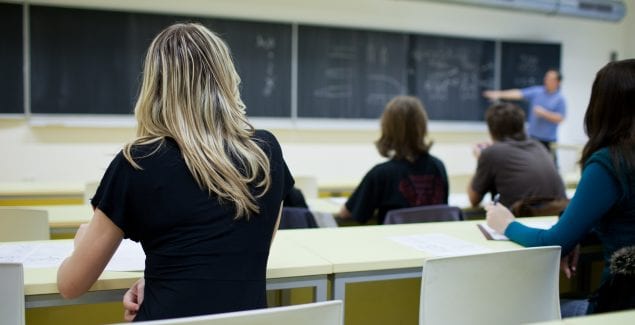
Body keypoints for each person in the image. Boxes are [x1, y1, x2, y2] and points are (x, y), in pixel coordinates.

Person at [56, 23, 294, 321]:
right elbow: (239, 255)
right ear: (226, 77)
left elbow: (70, 285)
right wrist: (160, 281)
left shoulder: (138, 162)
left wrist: (81, 243)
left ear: (155, 88)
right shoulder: (265, 152)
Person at [486, 59, 635, 314]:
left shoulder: (610, 163)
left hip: (619, 308)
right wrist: (576, 231)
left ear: (603, 106)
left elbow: (554, 242)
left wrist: (506, 224)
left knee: (525, 310)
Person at [336, 95, 449, 224]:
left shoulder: (381, 174)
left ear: (387, 128)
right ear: (422, 126)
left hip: (392, 241)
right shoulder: (438, 167)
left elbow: (346, 213)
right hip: (433, 239)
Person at [468, 102, 567, 209]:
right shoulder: (538, 146)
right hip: (556, 217)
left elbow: (473, 200)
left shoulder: (491, 153)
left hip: (522, 219)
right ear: (522, 126)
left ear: (491, 130)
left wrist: (480, 158)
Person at [483, 69, 566, 158]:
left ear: (558, 82)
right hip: (532, 137)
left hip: (548, 141)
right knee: (530, 162)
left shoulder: (560, 99)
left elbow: (560, 119)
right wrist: (499, 94)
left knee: (549, 165)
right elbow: (518, 93)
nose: (546, 80)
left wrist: (544, 113)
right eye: (546, 78)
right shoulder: (537, 92)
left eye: (550, 79)